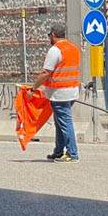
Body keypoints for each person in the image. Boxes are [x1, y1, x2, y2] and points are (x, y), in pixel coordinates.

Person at [33, 23, 82, 163]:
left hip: (60, 93)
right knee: (60, 122)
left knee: (65, 122)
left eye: (49, 35)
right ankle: (59, 151)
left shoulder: (55, 50)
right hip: (72, 90)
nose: (49, 38)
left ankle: (72, 153)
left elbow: (45, 73)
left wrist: (33, 88)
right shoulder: (73, 48)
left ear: (54, 35)